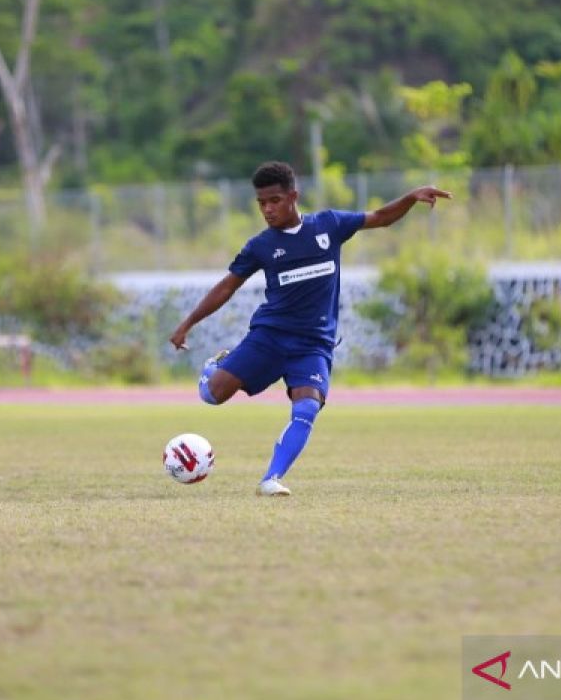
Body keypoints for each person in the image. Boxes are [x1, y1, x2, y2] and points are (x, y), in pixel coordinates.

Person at [169, 161, 451, 496]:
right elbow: (227, 286)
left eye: (274, 200)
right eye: (261, 203)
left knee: (307, 408)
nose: (268, 209)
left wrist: (410, 197)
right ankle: (214, 367)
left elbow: (381, 218)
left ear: (293, 196)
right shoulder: (260, 245)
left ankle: (271, 479)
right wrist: (187, 324)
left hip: (313, 345)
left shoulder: (329, 225)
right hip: (269, 338)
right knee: (212, 396)